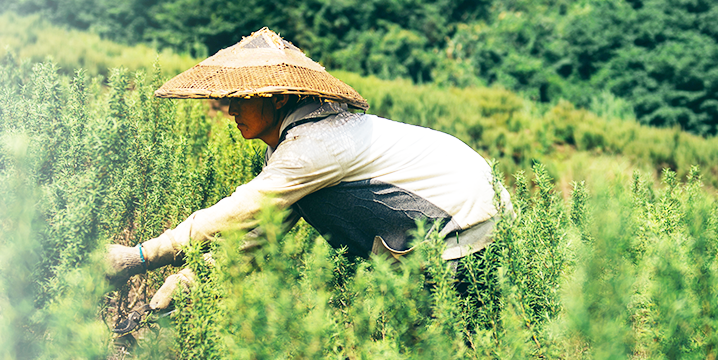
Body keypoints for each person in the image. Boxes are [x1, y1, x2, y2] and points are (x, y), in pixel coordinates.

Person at [103, 28, 510, 326]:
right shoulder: (298, 142)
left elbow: (244, 210)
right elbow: (262, 230)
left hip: (465, 235)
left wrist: (139, 257)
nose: (229, 109)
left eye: (240, 98)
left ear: (278, 97)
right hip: (458, 227)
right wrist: (195, 277)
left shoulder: (317, 144)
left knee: (435, 350)